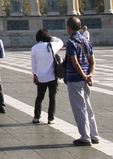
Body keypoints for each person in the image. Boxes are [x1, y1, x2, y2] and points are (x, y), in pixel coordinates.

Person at [65, 16, 98, 146]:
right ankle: (94, 135)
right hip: (86, 79)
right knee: (88, 107)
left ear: (69, 27)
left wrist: (84, 76)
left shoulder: (71, 42)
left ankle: (85, 137)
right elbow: (93, 61)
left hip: (75, 78)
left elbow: (74, 62)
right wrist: (90, 75)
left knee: (79, 108)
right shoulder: (86, 41)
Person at [30, 29, 64, 124]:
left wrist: (34, 75)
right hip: (52, 76)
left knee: (39, 97)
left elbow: (33, 64)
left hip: (41, 76)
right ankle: (51, 118)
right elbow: (61, 42)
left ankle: (37, 117)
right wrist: (52, 37)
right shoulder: (52, 45)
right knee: (52, 98)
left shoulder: (34, 48)